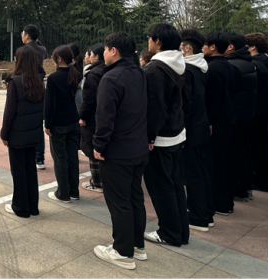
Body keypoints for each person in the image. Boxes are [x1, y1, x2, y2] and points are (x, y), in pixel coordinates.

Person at [92, 32, 148, 271]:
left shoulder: (111, 78)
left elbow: (105, 117)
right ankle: (137, 245)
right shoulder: (140, 73)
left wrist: (98, 145)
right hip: (138, 147)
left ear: (113, 50)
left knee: (119, 202)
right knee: (135, 197)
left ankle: (123, 252)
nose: (104, 53)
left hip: (118, 150)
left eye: (105, 49)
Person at [142, 24, 188, 247]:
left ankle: (169, 233)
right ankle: (181, 232)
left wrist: (149, 137)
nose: (148, 41)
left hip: (160, 138)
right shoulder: (179, 64)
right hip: (176, 132)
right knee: (175, 184)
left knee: (161, 186)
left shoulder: (155, 70)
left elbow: (155, 108)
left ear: (158, 41)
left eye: (149, 38)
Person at [0, 45, 44, 218]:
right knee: (30, 169)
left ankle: (21, 207)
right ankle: (33, 206)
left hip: (17, 134)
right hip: (33, 133)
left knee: (18, 171)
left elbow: (9, 111)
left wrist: (4, 133)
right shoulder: (39, 81)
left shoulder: (15, 81)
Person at [179, 29, 213, 232]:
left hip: (190, 129)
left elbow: (186, 105)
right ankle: (206, 213)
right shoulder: (203, 67)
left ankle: (198, 218)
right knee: (201, 171)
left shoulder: (188, 70)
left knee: (192, 174)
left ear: (187, 48)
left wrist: (180, 131)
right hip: (201, 126)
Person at [202, 31, 236, 217]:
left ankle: (219, 202)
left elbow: (213, 99)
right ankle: (226, 201)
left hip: (217, 122)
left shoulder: (212, 68)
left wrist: (209, 121)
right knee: (224, 161)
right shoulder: (228, 66)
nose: (202, 48)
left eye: (205, 45)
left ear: (213, 47)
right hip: (228, 119)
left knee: (215, 164)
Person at [44, 45, 82, 202]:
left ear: (59, 59)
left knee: (60, 158)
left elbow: (50, 104)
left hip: (58, 123)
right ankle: (74, 192)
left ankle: (63, 193)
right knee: (72, 157)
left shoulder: (54, 78)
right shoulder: (77, 74)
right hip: (73, 121)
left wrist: (47, 123)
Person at [224, 32, 257, 203]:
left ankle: (237, 189)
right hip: (247, 114)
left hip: (234, 117)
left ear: (230, 46)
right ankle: (245, 188)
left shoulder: (232, 66)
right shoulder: (250, 63)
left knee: (232, 155)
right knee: (243, 151)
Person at [246, 32, 268, 193]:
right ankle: (267, 179)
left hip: (257, 110)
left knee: (257, 146)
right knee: (264, 145)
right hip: (267, 108)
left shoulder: (255, 64)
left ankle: (262, 180)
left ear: (252, 47)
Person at [79, 43, 106, 193]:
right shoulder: (110, 70)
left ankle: (97, 182)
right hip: (106, 115)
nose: (87, 57)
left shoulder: (93, 74)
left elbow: (88, 99)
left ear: (96, 56)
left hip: (93, 116)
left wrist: (82, 116)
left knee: (92, 147)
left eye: (89, 54)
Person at [21, 24, 48, 170]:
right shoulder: (42, 49)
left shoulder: (24, 50)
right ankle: (40, 158)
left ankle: (28, 155)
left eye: (22, 33)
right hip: (39, 86)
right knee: (38, 124)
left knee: (26, 121)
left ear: (27, 36)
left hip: (26, 86)